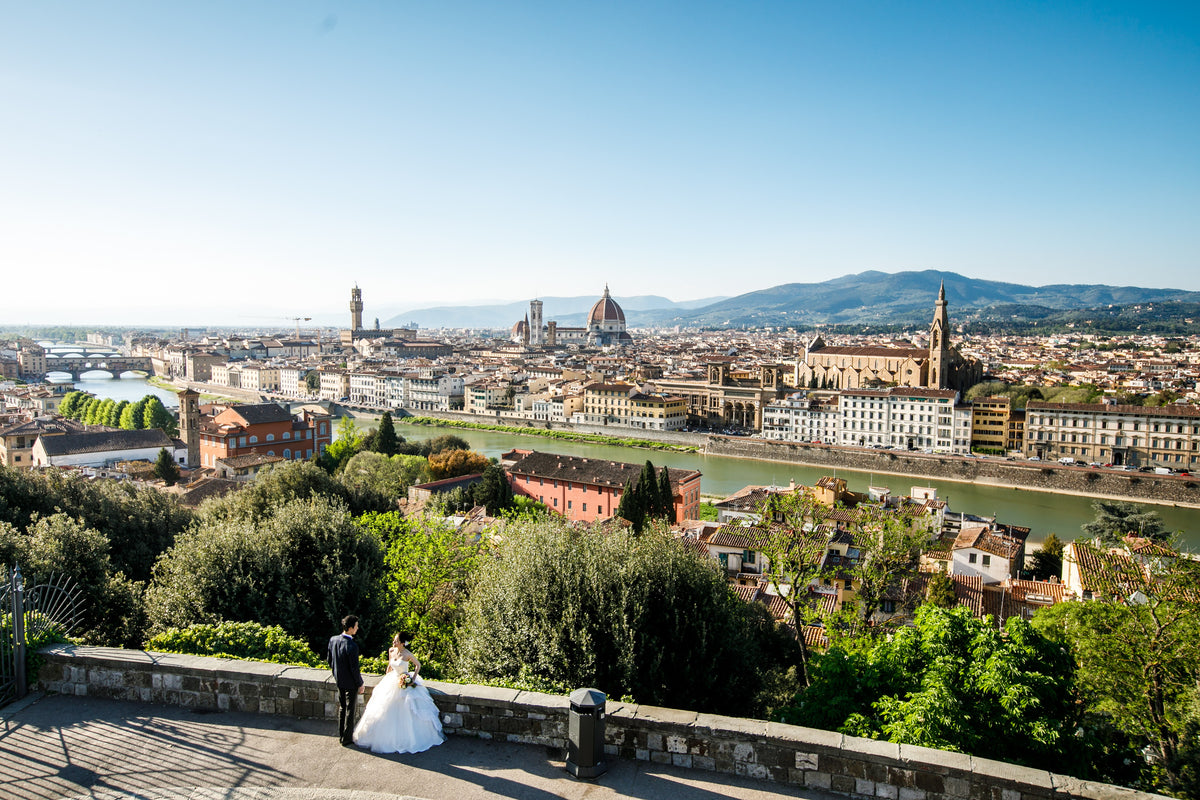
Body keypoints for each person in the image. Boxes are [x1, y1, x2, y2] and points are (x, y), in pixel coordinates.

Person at [353, 632, 445, 754]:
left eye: (396, 641)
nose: (393, 642)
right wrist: (385, 680)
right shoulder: (391, 651)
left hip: (404, 682)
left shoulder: (407, 654)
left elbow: (418, 665)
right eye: (394, 640)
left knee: (407, 709)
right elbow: (389, 666)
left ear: (402, 643)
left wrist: (412, 679)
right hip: (392, 680)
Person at [327, 614, 364, 746]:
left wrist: (336, 674)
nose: (357, 628)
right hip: (351, 683)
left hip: (339, 680)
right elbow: (355, 669)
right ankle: (347, 738)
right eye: (356, 626)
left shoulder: (333, 640)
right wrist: (360, 683)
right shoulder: (352, 646)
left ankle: (341, 734)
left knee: (342, 708)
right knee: (350, 709)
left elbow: (330, 661)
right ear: (350, 628)